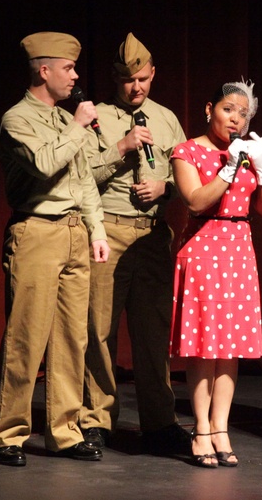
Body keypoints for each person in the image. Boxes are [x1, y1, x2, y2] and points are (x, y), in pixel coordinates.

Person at [0, 31, 110, 467]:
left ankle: (64, 431)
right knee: (27, 337)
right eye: (68, 68)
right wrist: (79, 126)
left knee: (71, 340)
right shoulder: (16, 119)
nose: (75, 76)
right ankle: (10, 433)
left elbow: (83, 182)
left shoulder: (65, 120)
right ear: (44, 70)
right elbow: (44, 165)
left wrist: (97, 230)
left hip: (76, 232)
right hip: (37, 232)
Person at [79, 32, 191, 455]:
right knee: (99, 329)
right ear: (115, 79)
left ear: (153, 75)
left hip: (152, 233)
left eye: (142, 79)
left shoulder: (166, 119)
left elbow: (188, 179)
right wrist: (120, 148)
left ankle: (159, 423)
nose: (136, 88)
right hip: (106, 229)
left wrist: (165, 190)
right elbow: (80, 177)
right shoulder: (95, 117)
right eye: (128, 80)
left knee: (152, 331)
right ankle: (97, 421)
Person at [170, 80, 262, 468]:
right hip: (204, 245)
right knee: (203, 345)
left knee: (231, 347)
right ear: (208, 109)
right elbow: (196, 200)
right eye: (228, 109)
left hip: (239, 246)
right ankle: (200, 429)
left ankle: (221, 428)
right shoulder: (187, 151)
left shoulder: (247, 152)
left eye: (243, 113)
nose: (236, 119)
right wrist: (230, 167)